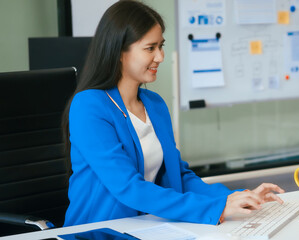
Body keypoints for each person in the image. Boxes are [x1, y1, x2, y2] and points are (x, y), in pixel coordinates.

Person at [61, 0, 284, 227]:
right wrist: (218, 207)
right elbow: (129, 188)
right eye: (150, 48)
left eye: (161, 46)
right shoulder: (89, 106)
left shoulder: (154, 104)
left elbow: (179, 177)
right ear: (119, 51)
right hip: (98, 232)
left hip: (145, 228)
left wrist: (237, 197)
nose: (160, 57)